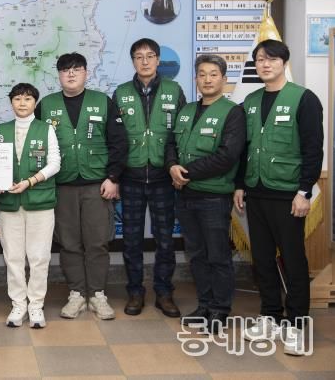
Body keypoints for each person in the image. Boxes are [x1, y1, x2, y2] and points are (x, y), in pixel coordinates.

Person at [234, 39, 323, 356]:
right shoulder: (250, 101)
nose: (265, 64)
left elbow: (313, 149)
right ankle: (270, 316)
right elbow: (244, 148)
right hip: (256, 192)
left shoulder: (303, 99)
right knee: (262, 259)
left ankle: (296, 324)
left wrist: (304, 191)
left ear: (284, 62)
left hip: (288, 195)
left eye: (271, 59)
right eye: (260, 59)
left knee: (293, 260)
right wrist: (240, 185)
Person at [36, 52, 127, 320]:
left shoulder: (103, 102)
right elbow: (36, 145)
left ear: (86, 73)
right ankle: (76, 293)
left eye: (76, 69)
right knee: (69, 243)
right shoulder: (46, 105)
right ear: (59, 75)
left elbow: (119, 142)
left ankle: (97, 294)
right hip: (61, 186)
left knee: (97, 242)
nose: (71, 74)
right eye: (65, 70)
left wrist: (113, 177)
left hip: (97, 185)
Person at [165, 54, 246, 332]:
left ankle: (220, 310)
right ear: (196, 79)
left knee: (217, 255)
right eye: (202, 74)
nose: (207, 79)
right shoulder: (186, 110)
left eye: (213, 74)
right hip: (186, 197)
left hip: (213, 197)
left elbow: (227, 156)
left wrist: (185, 173)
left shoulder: (233, 113)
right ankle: (204, 305)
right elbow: (171, 144)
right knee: (196, 254)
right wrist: (172, 166)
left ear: (224, 79)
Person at [113, 38, 186, 317]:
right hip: (131, 177)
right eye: (139, 56)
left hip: (163, 177)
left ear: (158, 60)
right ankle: (135, 292)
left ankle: (164, 293)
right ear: (133, 61)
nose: (145, 61)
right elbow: (115, 137)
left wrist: (175, 167)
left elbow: (181, 134)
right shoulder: (121, 93)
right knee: (131, 240)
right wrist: (115, 175)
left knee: (165, 239)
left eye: (150, 56)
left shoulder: (174, 90)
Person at [0, 83, 60, 328]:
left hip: (40, 202)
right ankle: (18, 304)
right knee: (13, 257)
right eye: (17, 99)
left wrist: (30, 181)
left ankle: (35, 306)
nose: (22, 103)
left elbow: (55, 163)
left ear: (35, 103)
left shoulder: (46, 129)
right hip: (9, 203)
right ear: (11, 102)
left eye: (28, 99)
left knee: (39, 257)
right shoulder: (1, 129)